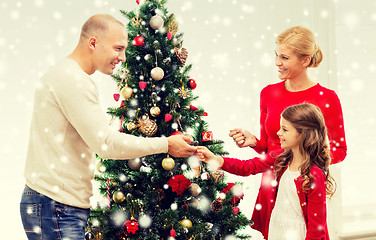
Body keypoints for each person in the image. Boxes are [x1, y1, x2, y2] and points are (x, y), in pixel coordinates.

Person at [20, 14, 197, 240]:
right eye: (118, 48)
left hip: (54, 205)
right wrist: (166, 144)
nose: (122, 57)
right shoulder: (72, 79)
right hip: (56, 206)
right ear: (93, 43)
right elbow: (105, 143)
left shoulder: (65, 74)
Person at [228, 26, 347, 238]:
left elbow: (340, 149)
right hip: (272, 186)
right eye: (276, 55)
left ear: (306, 60)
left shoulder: (327, 98)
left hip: (303, 188)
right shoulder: (268, 93)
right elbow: (270, 146)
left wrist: (307, 165)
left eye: (284, 57)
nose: (277, 63)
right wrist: (255, 142)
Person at [197, 103, 335, 239]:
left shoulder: (314, 176)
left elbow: (317, 230)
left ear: (303, 134)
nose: (278, 133)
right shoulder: (282, 157)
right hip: (277, 229)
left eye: (285, 130)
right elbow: (248, 167)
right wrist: (215, 159)